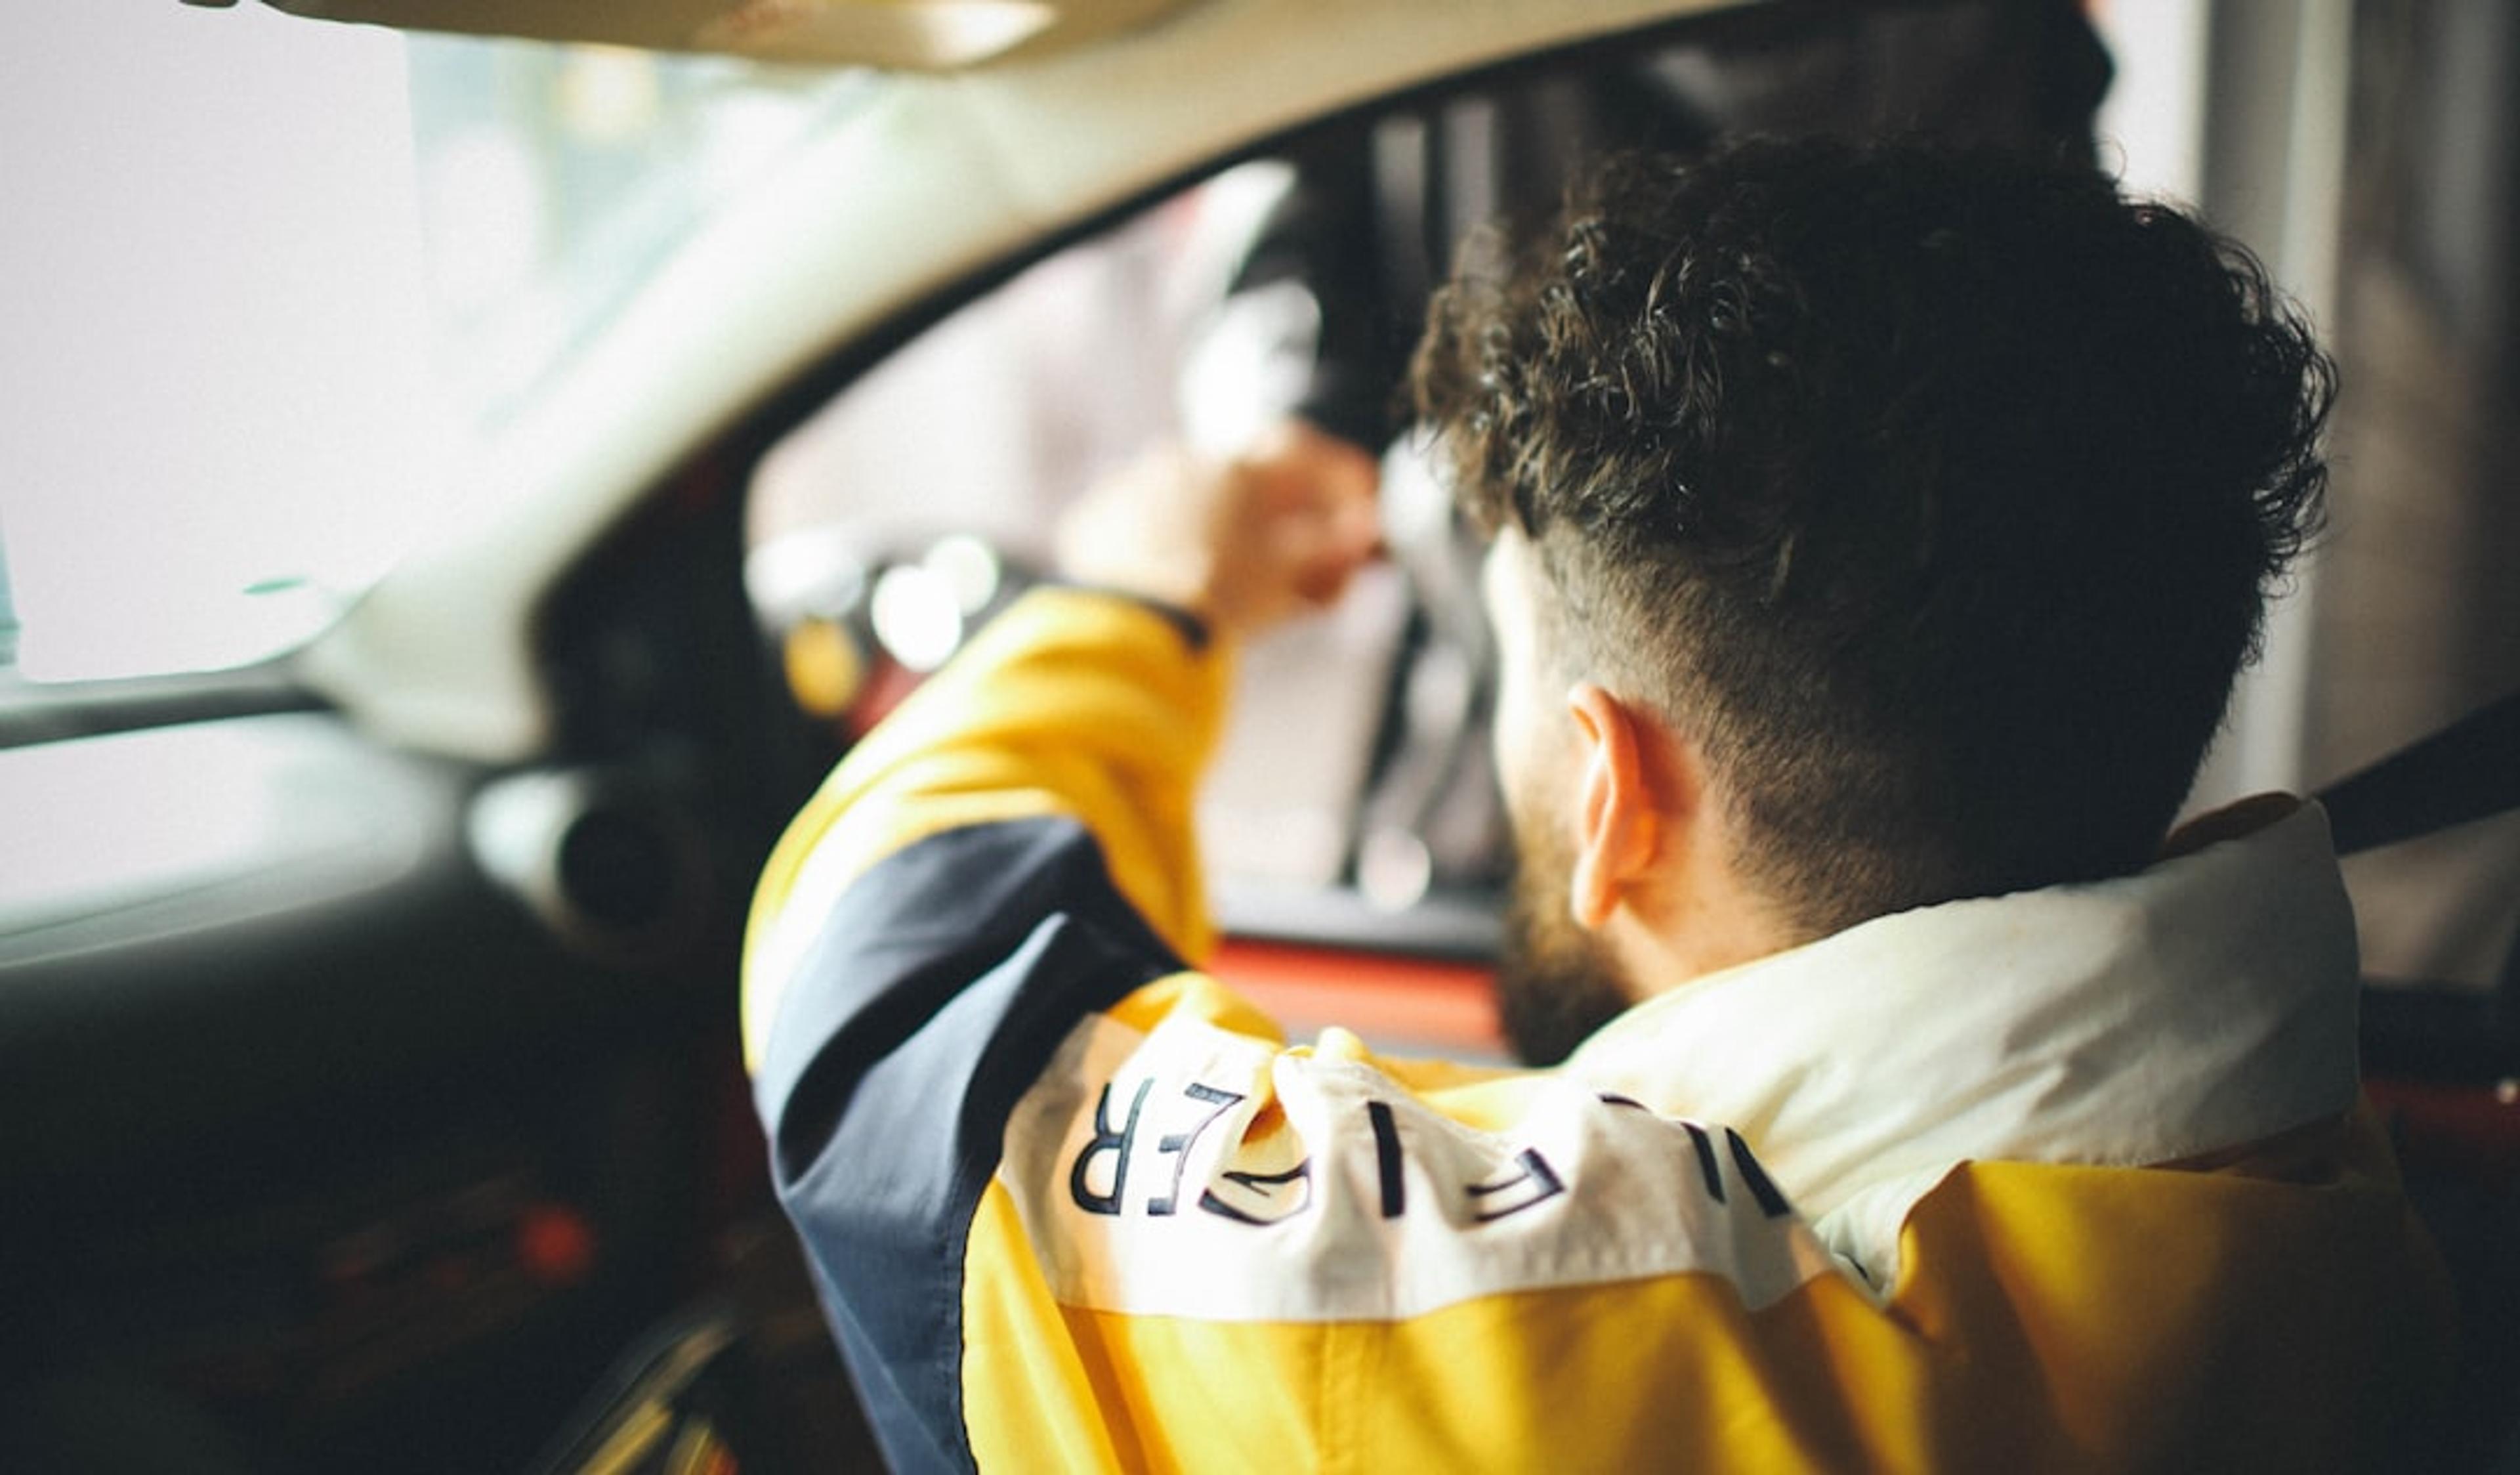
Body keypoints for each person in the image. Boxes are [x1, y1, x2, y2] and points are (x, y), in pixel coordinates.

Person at [742, 138, 2450, 1472]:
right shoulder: (2327, 1227)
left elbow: (891, 1010)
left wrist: (1133, 602)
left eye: (1512, 700)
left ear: (1616, 785)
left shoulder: (1564, 1378)